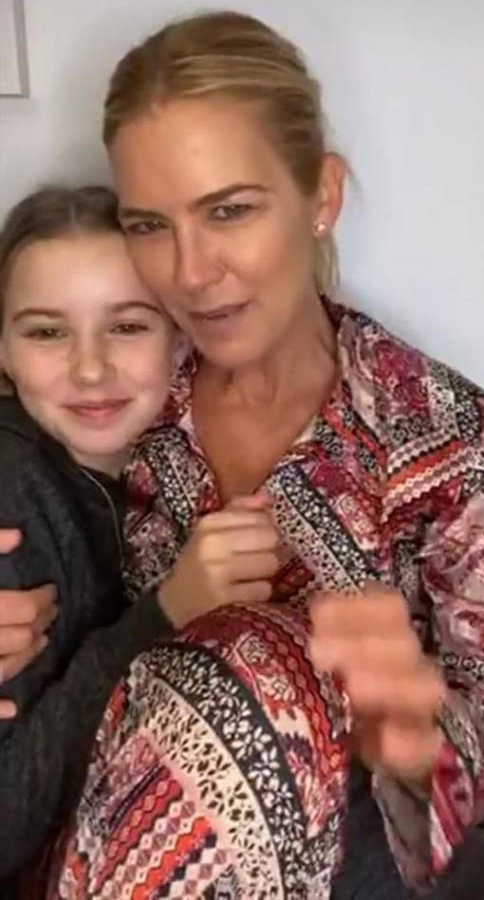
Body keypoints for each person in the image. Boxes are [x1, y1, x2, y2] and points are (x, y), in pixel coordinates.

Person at [0, 12, 484, 899]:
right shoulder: (123, 390)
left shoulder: (434, 425)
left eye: (230, 210)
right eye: (150, 224)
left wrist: (428, 735)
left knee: (258, 654)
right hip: (115, 833)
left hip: (372, 853)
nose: (191, 271)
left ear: (321, 195)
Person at [0, 185, 278, 895]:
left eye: (126, 326)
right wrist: (166, 612)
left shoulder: (176, 463)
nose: (90, 368)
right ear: (3, 350)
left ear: (180, 336)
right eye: (46, 333)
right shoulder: (12, 491)